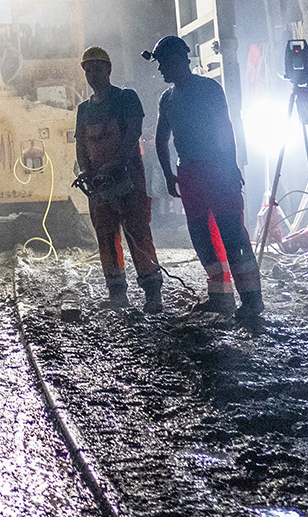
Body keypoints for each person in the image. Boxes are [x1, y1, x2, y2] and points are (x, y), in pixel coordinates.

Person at [147, 35, 261, 325]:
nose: (160, 69)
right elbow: (162, 140)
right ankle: (221, 296)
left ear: (178, 60)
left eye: (163, 63)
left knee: (232, 233)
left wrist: (231, 166)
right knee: (201, 235)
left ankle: (251, 300)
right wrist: (169, 174)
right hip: (190, 174)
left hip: (216, 168)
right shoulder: (167, 98)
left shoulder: (209, 89)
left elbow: (226, 128)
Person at [72, 47, 162, 314]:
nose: (91, 74)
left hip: (128, 178)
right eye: (87, 70)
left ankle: (153, 294)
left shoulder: (125, 99)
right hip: (99, 183)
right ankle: (117, 294)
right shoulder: (84, 109)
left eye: (97, 69)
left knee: (137, 233)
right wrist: (86, 170)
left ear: (109, 69)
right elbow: (81, 144)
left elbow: (132, 133)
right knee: (106, 237)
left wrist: (115, 165)